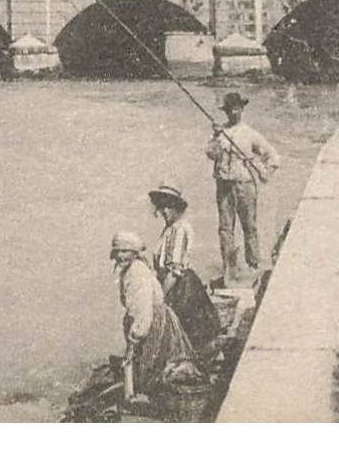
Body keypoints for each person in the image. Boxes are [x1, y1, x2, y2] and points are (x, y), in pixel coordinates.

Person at [109, 231, 195, 401]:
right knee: (147, 363)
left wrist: (135, 335)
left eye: (125, 251)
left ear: (134, 253)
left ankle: (138, 394)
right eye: (118, 251)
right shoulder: (131, 270)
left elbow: (143, 310)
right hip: (151, 319)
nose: (120, 256)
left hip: (153, 323)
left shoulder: (136, 273)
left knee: (150, 362)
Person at [206, 92, 280, 281]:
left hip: (245, 185)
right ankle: (228, 267)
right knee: (225, 228)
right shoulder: (220, 133)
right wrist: (215, 136)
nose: (234, 112)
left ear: (242, 110)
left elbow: (273, 157)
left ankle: (253, 264)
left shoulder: (250, 133)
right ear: (226, 111)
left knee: (249, 226)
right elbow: (211, 154)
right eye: (230, 109)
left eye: (237, 108)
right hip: (223, 185)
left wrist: (264, 171)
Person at [149, 185, 222, 357]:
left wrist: (161, 298)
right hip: (177, 284)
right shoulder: (171, 228)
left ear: (177, 207)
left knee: (184, 333)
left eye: (169, 206)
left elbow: (174, 270)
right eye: (161, 206)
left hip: (180, 288)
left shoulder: (178, 229)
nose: (164, 211)